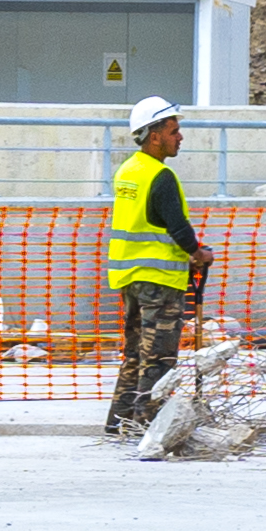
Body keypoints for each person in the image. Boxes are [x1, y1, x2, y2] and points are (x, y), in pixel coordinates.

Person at [105, 97, 205, 435]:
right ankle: (147, 428)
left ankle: (117, 422)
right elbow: (177, 228)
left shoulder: (129, 170)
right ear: (154, 136)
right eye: (174, 131)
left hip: (129, 279)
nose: (180, 137)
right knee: (159, 359)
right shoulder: (160, 177)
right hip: (159, 282)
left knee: (134, 354)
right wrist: (198, 253)